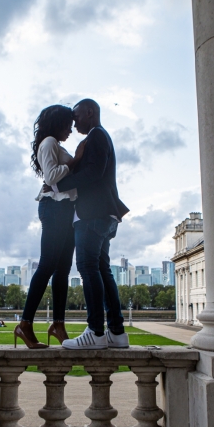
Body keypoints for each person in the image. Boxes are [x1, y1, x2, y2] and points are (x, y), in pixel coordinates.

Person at [53, 99, 130, 349]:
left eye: (77, 117)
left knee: (87, 267)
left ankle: (96, 332)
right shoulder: (100, 136)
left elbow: (93, 174)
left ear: (90, 112)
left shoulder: (96, 136)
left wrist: (58, 184)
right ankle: (116, 333)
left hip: (93, 215)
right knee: (101, 269)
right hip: (105, 215)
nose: (74, 122)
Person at [14, 105, 84, 349]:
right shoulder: (49, 142)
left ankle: (58, 324)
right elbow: (51, 177)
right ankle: (24, 324)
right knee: (46, 266)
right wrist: (75, 162)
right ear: (57, 123)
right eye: (68, 125)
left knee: (63, 270)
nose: (71, 130)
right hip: (54, 208)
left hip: (65, 210)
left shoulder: (55, 144)